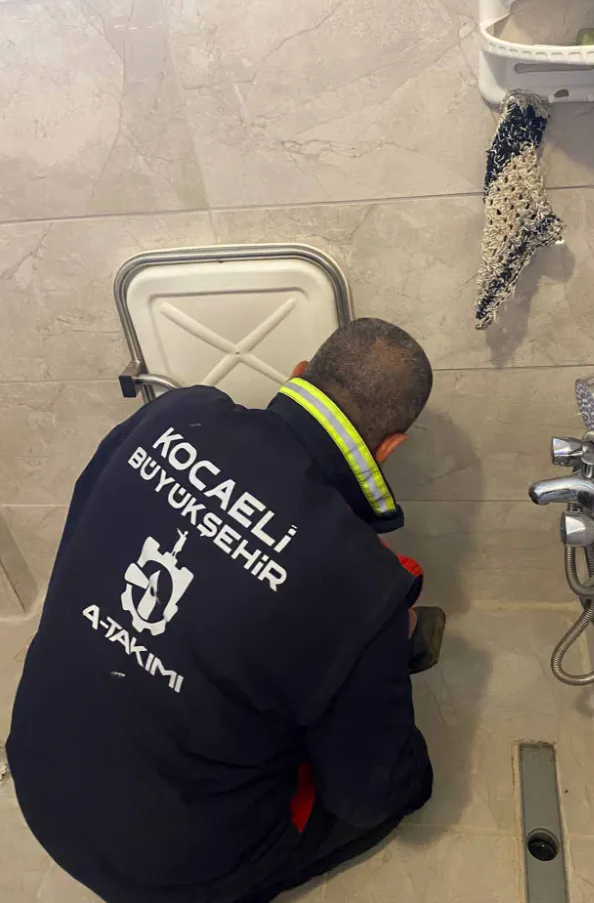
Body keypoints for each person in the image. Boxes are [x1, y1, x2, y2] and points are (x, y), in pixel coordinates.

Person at [8, 317, 445, 903]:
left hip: (37, 781)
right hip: (169, 873)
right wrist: (381, 632)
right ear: (391, 447)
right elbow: (366, 797)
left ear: (299, 374)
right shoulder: (360, 578)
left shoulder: (170, 415)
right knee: (399, 786)